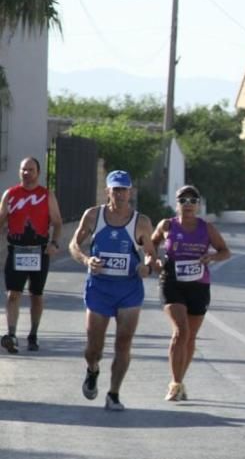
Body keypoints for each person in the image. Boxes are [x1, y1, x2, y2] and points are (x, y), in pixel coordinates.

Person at [69, 170, 157, 411]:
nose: (119, 194)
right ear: (107, 191)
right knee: (93, 348)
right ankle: (92, 369)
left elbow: (150, 252)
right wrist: (87, 260)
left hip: (129, 290)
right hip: (99, 288)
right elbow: (74, 245)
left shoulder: (141, 221)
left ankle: (114, 393)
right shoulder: (93, 216)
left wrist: (147, 267)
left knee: (124, 342)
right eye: (115, 189)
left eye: (123, 189)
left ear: (130, 192)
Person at [151, 185, 231, 401]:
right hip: (172, 282)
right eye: (183, 200)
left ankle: (180, 381)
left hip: (199, 285)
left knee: (190, 337)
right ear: (176, 204)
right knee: (180, 330)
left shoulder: (207, 229)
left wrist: (211, 257)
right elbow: (151, 244)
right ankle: (174, 383)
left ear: (198, 205)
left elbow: (225, 251)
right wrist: (153, 259)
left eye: (192, 201)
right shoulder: (167, 225)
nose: (187, 205)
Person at [0, 156, 63, 353]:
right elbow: (1, 219)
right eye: (23, 169)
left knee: (36, 295)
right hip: (16, 249)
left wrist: (54, 243)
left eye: (31, 170)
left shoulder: (46, 195)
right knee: (13, 294)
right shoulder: (10, 194)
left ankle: (33, 334)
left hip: (39, 250)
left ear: (38, 173)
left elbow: (58, 223)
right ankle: (11, 334)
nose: (27, 173)